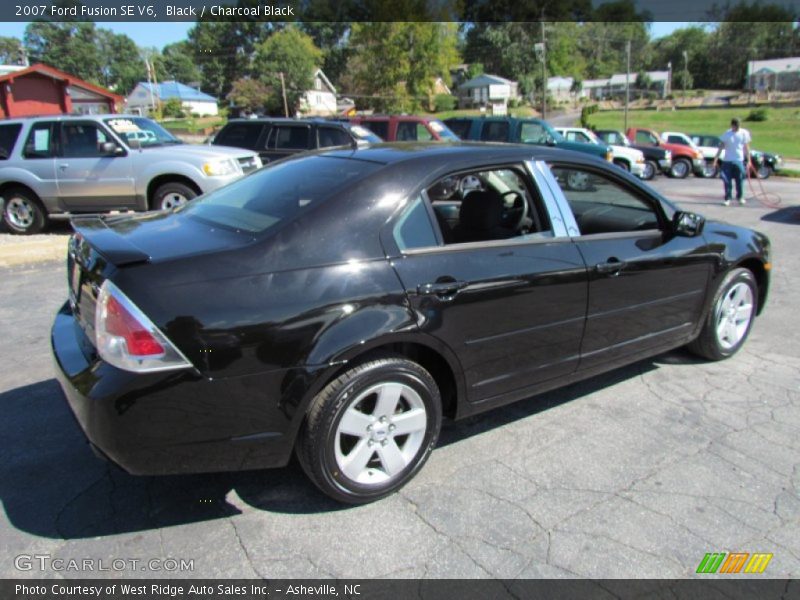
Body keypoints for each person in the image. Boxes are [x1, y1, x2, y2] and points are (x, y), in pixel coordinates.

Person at [713, 118, 751, 206]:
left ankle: (740, 197)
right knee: (727, 180)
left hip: (739, 160)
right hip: (727, 160)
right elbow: (721, 146)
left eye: (738, 126)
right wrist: (715, 159)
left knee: (740, 179)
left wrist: (749, 160)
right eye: (735, 126)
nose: (737, 127)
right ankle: (727, 198)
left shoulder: (744, 133)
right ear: (732, 125)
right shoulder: (727, 133)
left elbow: (746, 147)